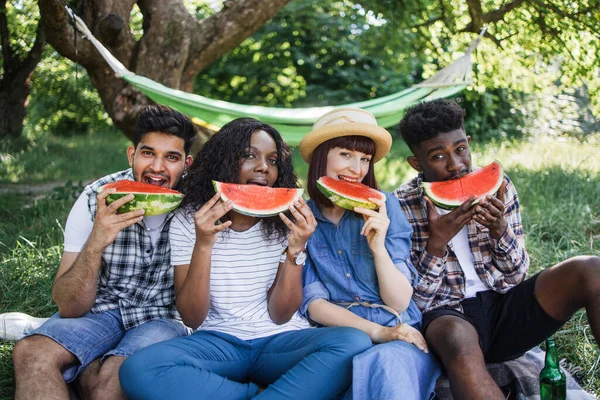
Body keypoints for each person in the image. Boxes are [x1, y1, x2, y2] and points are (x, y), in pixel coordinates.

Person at [118, 118, 372, 400]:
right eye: (249, 155)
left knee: (353, 342)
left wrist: (295, 249)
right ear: (224, 161)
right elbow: (192, 316)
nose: (263, 166)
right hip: (218, 342)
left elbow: (281, 314)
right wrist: (203, 244)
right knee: (138, 369)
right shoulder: (189, 219)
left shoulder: (286, 220)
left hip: (281, 341)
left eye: (273, 160)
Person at [394, 98, 600, 400]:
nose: (455, 165)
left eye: (460, 149)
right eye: (438, 156)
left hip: (504, 309)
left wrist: (499, 229)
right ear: (416, 163)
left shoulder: (498, 188)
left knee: (591, 268)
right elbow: (414, 303)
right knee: (457, 338)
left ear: (468, 142)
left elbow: (517, 277)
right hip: (446, 318)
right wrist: (436, 244)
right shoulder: (399, 206)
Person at [11, 105, 196, 400]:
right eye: (148, 153)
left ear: (187, 163)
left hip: (162, 319)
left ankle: (83, 372)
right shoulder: (95, 197)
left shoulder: (198, 208)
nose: (158, 168)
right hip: (100, 312)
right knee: (31, 353)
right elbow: (69, 306)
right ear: (131, 154)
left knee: (108, 387)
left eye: (171, 157)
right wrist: (96, 241)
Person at [298, 108, 441, 400]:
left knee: (385, 364)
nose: (357, 169)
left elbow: (400, 301)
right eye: (346, 154)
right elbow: (315, 306)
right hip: (340, 334)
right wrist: (377, 333)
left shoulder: (385, 206)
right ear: (320, 157)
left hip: (398, 330)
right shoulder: (303, 217)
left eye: (364, 159)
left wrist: (378, 248)